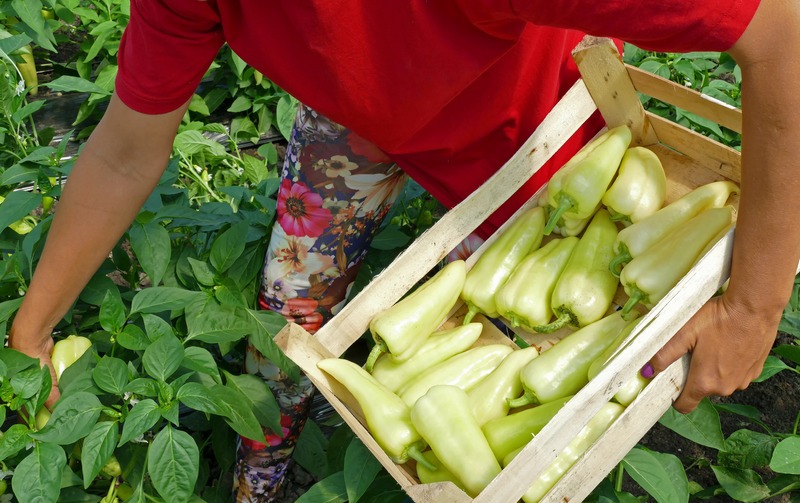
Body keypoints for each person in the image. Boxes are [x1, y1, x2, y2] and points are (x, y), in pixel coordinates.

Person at [8, 0, 800, 501]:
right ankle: (262, 476)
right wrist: (31, 334)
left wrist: (755, 306)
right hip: (351, 123)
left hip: (525, 135)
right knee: (288, 316)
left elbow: (782, 33)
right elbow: (122, 151)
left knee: (547, 353)